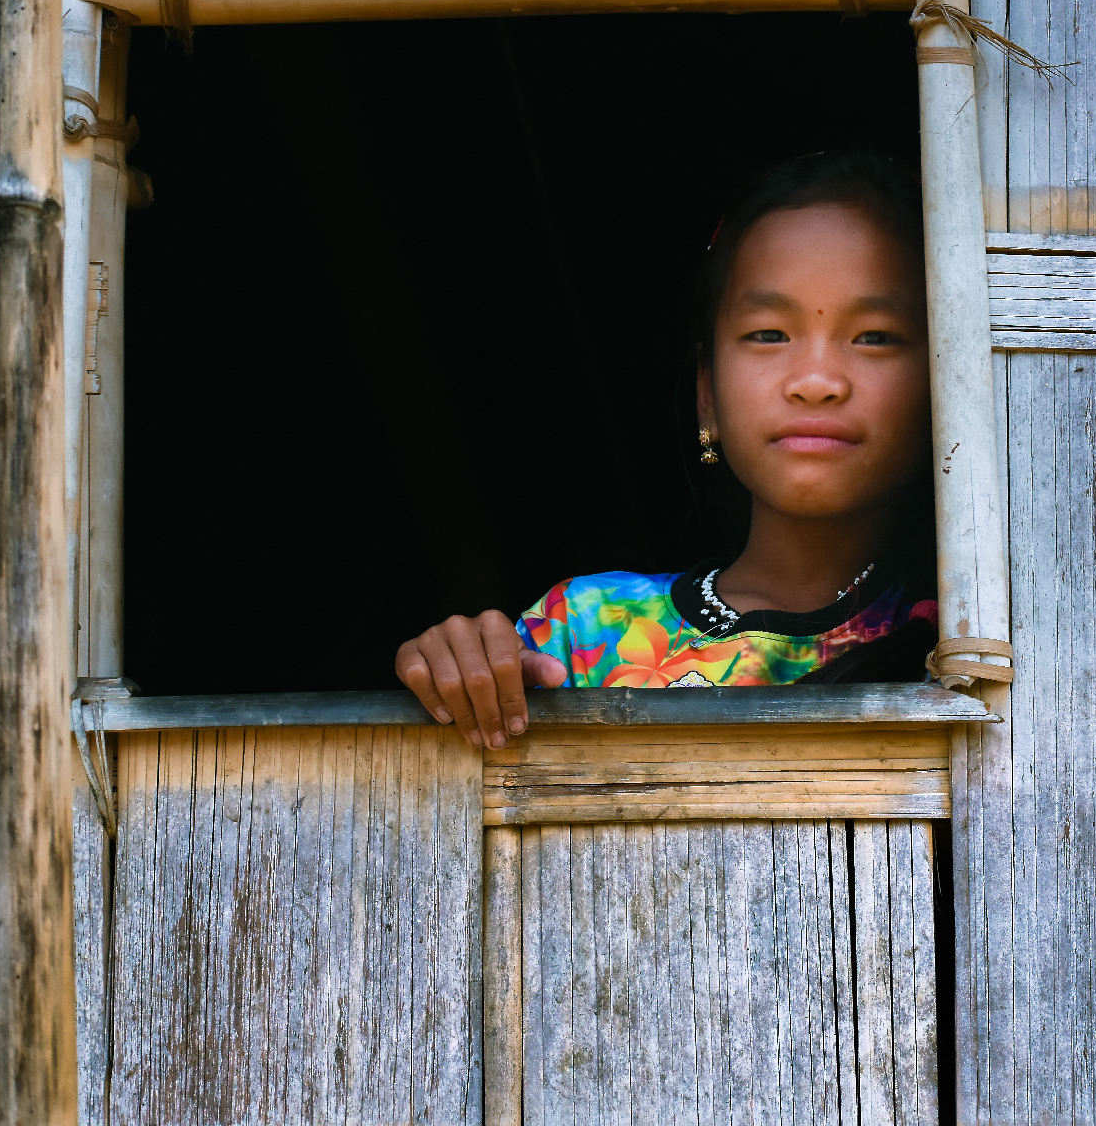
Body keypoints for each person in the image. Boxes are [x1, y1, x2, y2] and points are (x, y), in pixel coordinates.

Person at [395, 150, 939, 748]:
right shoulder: (585, 628)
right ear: (707, 393)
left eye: (875, 337)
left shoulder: (972, 638)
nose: (815, 381)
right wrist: (461, 673)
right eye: (768, 334)